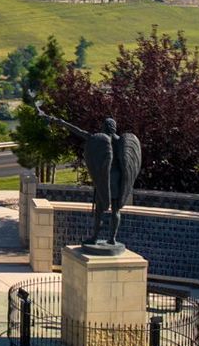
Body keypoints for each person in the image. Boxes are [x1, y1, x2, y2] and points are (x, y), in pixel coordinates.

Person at [31, 103, 142, 251]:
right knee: (116, 210)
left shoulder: (100, 139)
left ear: (104, 127)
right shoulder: (122, 141)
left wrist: (57, 121)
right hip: (118, 180)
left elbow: (78, 131)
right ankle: (112, 239)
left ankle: (95, 237)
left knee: (99, 211)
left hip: (105, 177)